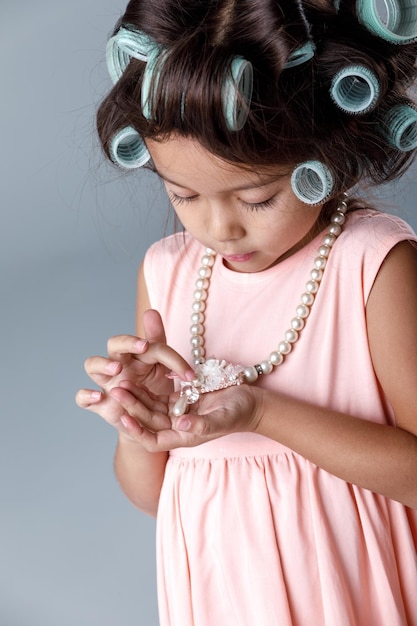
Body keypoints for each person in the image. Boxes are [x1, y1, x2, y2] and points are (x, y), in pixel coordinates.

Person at [76, 0, 417, 624]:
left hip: (346, 594)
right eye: (184, 195)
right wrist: (137, 428)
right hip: (220, 594)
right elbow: (159, 494)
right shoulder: (168, 274)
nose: (220, 225)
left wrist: (262, 413)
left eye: (258, 196)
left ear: (325, 155)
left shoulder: (373, 267)